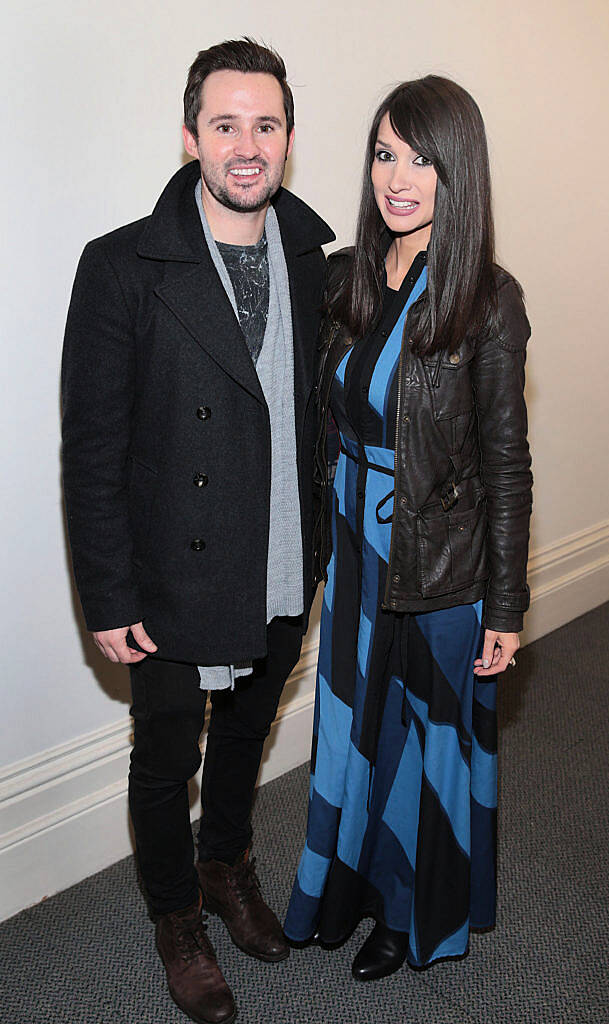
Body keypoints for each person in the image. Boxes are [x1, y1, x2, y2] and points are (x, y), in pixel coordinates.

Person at [61, 38, 333, 1024]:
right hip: (170, 574)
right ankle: (178, 915)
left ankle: (226, 865)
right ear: (192, 136)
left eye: (265, 125)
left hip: (281, 555)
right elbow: (92, 448)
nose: (246, 145)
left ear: (288, 139)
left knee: (248, 733)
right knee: (165, 751)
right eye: (226, 124)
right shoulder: (121, 267)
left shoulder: (311, 258)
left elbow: (320, 408)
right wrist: (109, 591)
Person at [284, 76, 532, 981]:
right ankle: (340, 891)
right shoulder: (346, 275)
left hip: (439, 560)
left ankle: (402, 909)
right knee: (355, 727)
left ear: (455, 170)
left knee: (421, 740)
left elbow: (507, 466)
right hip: (353, 543)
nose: (398, 177)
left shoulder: (486, 300)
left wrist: (506, 606)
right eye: (385, 152)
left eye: (422, 159)